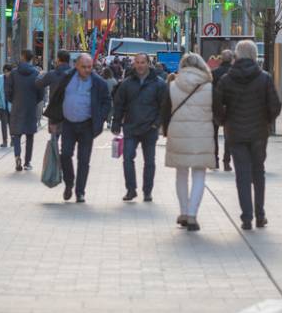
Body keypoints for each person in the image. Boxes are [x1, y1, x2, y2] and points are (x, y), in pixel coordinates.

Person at [213, 40, 280, 230]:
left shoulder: (227, 79)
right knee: (258, 173)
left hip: (235, 133)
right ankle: (260, 215)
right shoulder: (264, 78)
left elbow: (216, 105)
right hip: (259, 133)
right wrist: (266, 120)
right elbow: (275, 105)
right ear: (254, 55)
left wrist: (224, 121)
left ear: (237, 55)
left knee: (242, 175)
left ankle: (246, 217)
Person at [44, 53, 111, 202]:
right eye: (84, 67)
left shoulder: (98, 82)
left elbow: (107, 102)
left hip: (87, 125)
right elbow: (57, 99)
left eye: (90, 67)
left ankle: (80, 192)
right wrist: (53, 121)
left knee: (84, 159)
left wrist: (100, 118)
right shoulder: (67, 78)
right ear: (76, 66)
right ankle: (69, 183)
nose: (87, 70)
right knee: (65, 154)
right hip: (68, 124)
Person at [161, 53, 215, 232]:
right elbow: (216, 113)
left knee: (181, 173)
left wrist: (166, 131)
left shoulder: (172, 85)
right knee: (199, 174)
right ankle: (192, 214)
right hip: (203, 134)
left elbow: (165, 111)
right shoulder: (209, 87)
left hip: (178, 133)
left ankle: (183, 212)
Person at [112, 53, 168, 202]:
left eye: (143, 62)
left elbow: (164, 106)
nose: (140, 65)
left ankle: (147, 191)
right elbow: (119, 104)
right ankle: (131, 189)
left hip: (150, 128)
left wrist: (157, 123)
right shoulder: (127, 83)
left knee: (149, 161)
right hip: (130, 127)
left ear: (148, 63)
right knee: (128, 158)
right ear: (134, 64)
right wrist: (116, 122)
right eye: (137, 62)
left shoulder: (159, 83)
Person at [211, 50, 235, 171]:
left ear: (221, 59)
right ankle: (226, 162)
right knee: (228, 136)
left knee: (213, 135)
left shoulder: (214, 73)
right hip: (231, 108)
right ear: (231, 59)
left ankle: (215, 160)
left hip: (215, 107)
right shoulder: (234, 73)